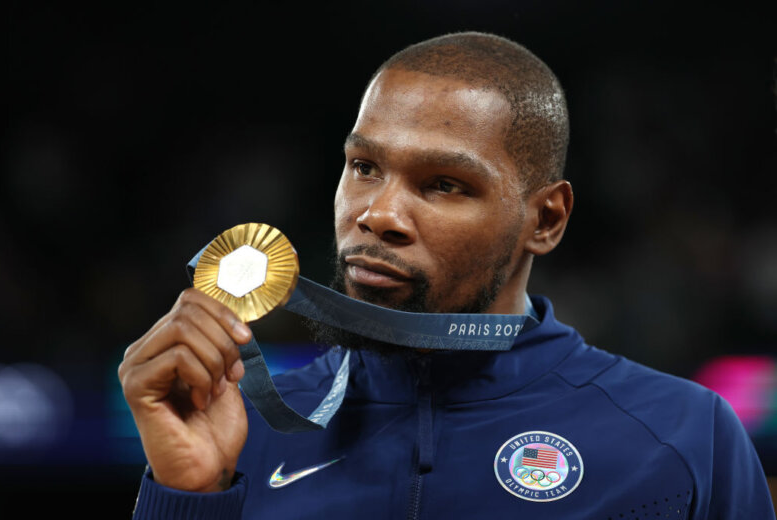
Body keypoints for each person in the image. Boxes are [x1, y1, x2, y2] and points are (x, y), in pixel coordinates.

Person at [119, 32, 775, 519]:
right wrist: (188, 496)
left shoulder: (686, 438)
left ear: (545, 219)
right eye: (364, 167)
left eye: (443, 184)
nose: (378, 215)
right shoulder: (236, 433)